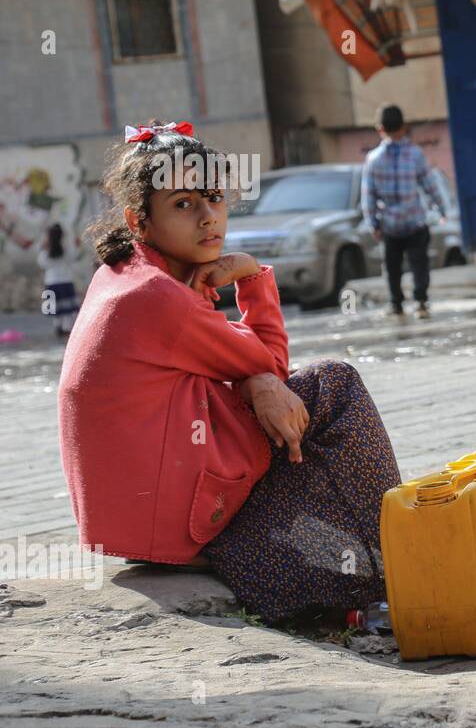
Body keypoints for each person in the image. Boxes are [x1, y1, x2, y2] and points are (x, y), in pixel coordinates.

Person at [58, 120, 400, 624]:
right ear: (138, 221)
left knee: (291, 426)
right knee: (333, 385)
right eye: (182, 204)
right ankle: (391, 561)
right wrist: (254, 280)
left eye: (214, 198)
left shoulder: (124, 275)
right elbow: (272, 364)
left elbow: (229, 362)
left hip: (136, 524)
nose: (207, 218)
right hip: (175, 527)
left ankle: (339, 580)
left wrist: (252, 378)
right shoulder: (155, 297)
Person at [361, 104, 443, 320]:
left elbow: (368, 195)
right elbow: (429, 184)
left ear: (380, 129)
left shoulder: (373, 159)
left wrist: (373, 223)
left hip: (389, 224)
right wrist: (440, 208)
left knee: (392, 266)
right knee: (419, 264)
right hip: (415, 220)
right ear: (404, 127)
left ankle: (396, 304)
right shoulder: (415, 154)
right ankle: (421, 302)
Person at [37, 223, 79, 338]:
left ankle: (57, 327)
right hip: (65, 280)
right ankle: (66, 328)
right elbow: (72, 258)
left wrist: (43, 249)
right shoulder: (66, 247)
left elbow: (42, 264)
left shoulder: (46, 250)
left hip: (51, 282)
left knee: (55, 308)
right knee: (67, 309)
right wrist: (76, 245)